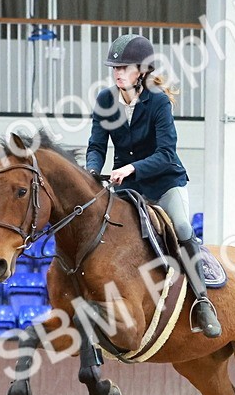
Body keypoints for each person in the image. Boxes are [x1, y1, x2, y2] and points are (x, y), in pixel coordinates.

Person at [85, 34, 221, 338]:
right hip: (128, 189)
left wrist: (131, 167)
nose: (118, 73)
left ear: (142, 70)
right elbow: (96, 145)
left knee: (182, 227)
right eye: (115, 68)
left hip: (164, 183)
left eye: (124, 67)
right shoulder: (106, 100)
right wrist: (92, 171)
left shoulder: (157, 101)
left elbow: (166, 154)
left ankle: (202, 301)